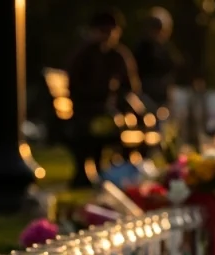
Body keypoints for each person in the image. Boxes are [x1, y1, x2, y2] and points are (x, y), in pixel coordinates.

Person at [67, 9, 141, 188]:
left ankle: (119, 174)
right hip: (86, 114)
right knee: (94, 130)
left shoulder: (118, 55)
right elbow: (75, 88)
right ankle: (90, 175)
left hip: (109, 114)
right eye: (103, 31)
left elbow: (129, 87)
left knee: (124, 125)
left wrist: (122, 107)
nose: (107, 36)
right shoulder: (84, 55)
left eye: (111, 31)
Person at [133, 8, 178, 108]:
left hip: (162, 99)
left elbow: (172, 74)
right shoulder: (141, 48)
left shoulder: (167, 50)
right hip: (143, 97)